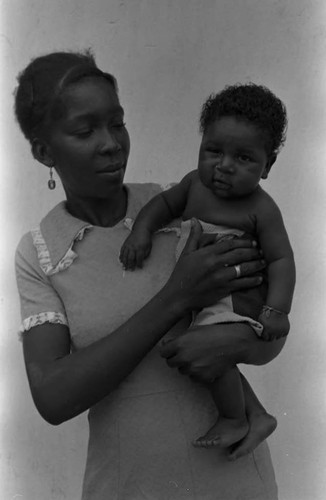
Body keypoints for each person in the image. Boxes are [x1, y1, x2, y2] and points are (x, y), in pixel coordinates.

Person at [14, 50, 286, 499]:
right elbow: (53, 398)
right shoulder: (41, 253)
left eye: (117, 123)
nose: (111, 143)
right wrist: (175, 298)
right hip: (131, 484)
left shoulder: (184, 208)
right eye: (85, 130)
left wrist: (243, 340)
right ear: (44, 151)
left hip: (236, 478)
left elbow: (266, 331)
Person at [120, 83, 295, 449]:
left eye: (244, 158)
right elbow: (162, 205)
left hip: (235, 299)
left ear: (268, 165)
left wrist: (276, 309)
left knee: (202, 352)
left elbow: (281, 259)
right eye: (214, 150)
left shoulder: (261, 209)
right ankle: (258, 415)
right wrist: (141, 231)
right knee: (201, 351)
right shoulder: (193, 184)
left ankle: (234, 417)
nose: (224, 165)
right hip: (198, 294)